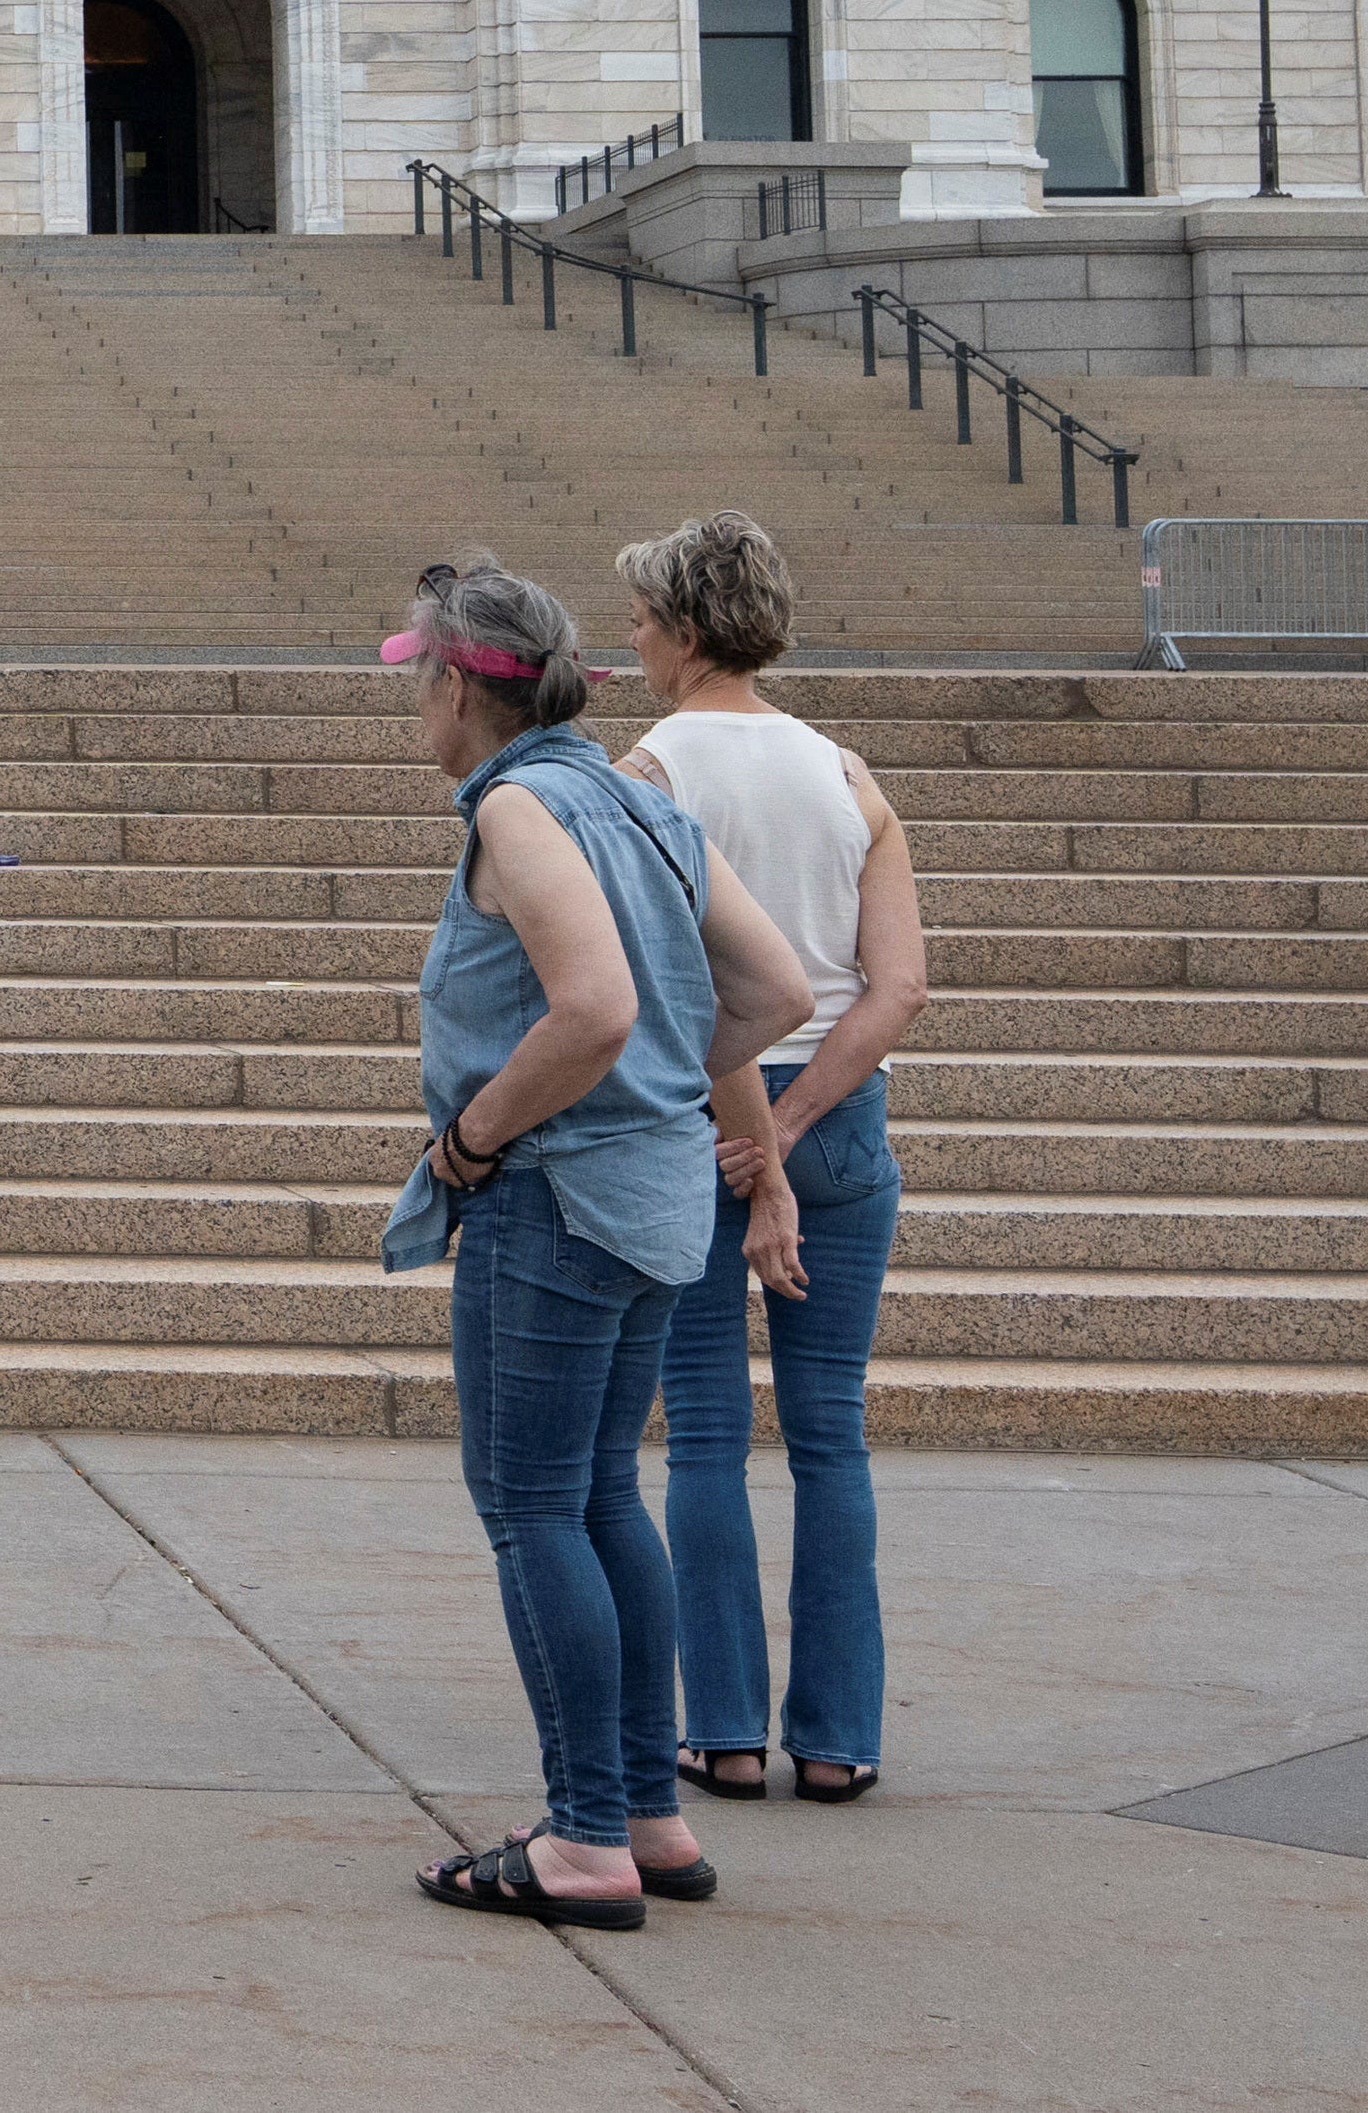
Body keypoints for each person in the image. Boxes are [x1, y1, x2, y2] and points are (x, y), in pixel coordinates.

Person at [379, 551, 815, 1931]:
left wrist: (474, 1142)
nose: (413, 702)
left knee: (530, 1504)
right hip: (655, 1197)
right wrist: (666, 1092)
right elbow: (779, 988)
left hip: (554, 1199)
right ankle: (643, 1811)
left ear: (459, 683)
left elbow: (595, 1007)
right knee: (602, 1498)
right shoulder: (635, 795)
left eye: (417, 675)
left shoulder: (517, 804)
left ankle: (578, 1838)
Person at [619, 509, 926, 1809]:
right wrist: (798, 1136)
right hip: (843, 1116)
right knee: (830, 1435)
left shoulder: (650, 772)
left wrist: (755, 1149)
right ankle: (843, 1734)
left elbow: (691, 983)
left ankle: (727, 1727)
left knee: (703, 1435)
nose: (629, 640)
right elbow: (896, 985)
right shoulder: (848, 772)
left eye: (639, 618)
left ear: (687, 631)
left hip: (705, 1114)